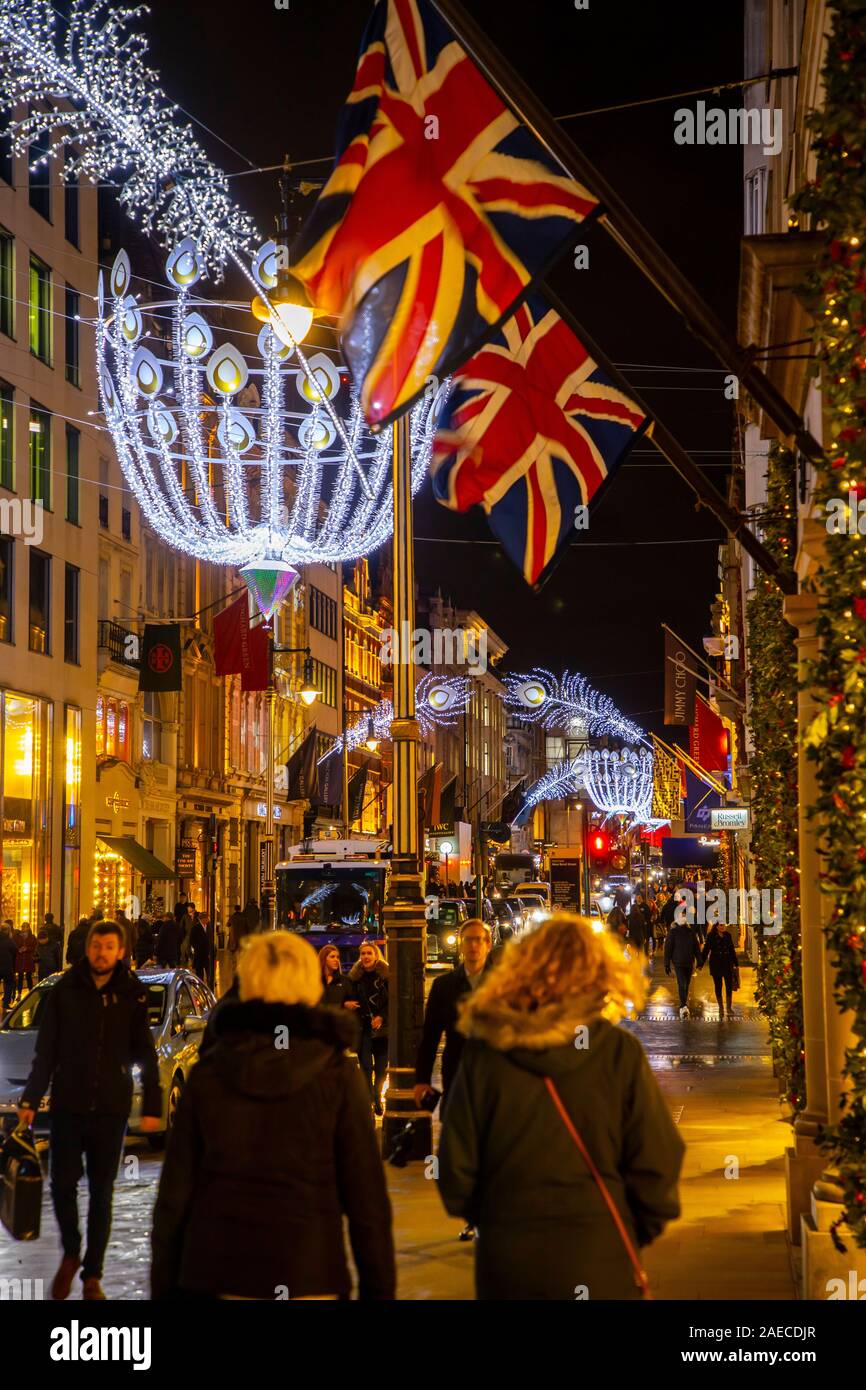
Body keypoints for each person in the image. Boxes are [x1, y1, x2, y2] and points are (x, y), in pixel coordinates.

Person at [437, 914, 684, 1300]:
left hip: (509, 1263)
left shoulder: (487, 1053)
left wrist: (494, 1219)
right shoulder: (617, 1053)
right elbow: (658, 1158)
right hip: (601, 1255)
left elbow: (455, 1171)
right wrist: (628, 1227)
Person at [150, 931, 395, 1300]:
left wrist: (166, 1287)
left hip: (221, 1272)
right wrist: (377, 1290)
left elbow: (175, 1197)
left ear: (246, 983)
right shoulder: (337, 1076)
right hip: (309, 1272)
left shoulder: (210, 1075)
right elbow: (367, 1203)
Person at [17, 921, 162, 1300]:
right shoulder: (65, 990)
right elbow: (45, 1051)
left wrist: (152, 1102)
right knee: (62, 1184)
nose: (101, 952)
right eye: (97, 945)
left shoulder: (132, 993)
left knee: (102, 1191)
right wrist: (31, 1099)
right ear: (88, 948)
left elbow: (144, 1051)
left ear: (121, 952)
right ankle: (71, 1251)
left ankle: (93, 1274)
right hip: (69, 1103)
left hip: (111, 1108)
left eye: (109, 946)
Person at [415, 919, 496, 1244]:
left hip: (495, 1081)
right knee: (462, 1153)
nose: (474, 946)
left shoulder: (501, 984)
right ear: (461, 945)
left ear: (488, 945)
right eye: (468, 940)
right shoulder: (445, 986)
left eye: (479, 940)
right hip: (458, 1080)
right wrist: (421, 1080)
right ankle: (473, 1216)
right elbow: (430, 1035)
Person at [348, 943, 389, 1116]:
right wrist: (348, 1004)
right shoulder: (355, 977)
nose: (365, 957)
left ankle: (376, 1095)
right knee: (365, 1067)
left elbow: (393, 1001)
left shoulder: (386, 976)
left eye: (369, 953)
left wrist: (382, 1017)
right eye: (363, 953)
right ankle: (369, 1100)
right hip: (363, 1028)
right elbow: (348, 998)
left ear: (376, 956)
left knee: (381, 1068)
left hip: (383, 1030)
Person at [663, 914, 703, 1018]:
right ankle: (683, 1005)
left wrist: (699, 961)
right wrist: (666, 964)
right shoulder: (677, 932)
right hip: (682, 963)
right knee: (682, 983)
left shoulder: (687, 932)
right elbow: (668, 948)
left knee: (685, 984)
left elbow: (696, 948)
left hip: (685, 962)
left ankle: (684, 1003)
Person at [701, 921, 738, 1019]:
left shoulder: (728, 935)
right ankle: (721, 1007)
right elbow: (706, 950)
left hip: (727, 963)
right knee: (718, 986)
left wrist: (736, 963)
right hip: (716, 964)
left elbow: (732, 950)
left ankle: (729, 1007)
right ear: (716, 926)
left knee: (729, 986)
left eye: (724, 925)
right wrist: (700, 963)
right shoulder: (711, 936)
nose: (723, 927)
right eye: (721, 925)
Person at [318, 945, 357, 1009]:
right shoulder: (315, 981)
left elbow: (353, 1004)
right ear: (324, 959)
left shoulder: (345, 981)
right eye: (332, 957)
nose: (336, 960)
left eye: (337, 957)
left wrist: (345, 1006)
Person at [15, 922, 36, 997]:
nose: (23, 928)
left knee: (29, 976)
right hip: (20, 959)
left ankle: (31, 992)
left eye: (25, 926)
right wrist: (19, 949)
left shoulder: (32, 937)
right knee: (20, 977)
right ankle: (19, 994)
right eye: (22, 926)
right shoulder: (18, 937)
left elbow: (34, 947)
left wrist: (27, 948)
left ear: (28, 928)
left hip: (28, 959)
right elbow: (15, 946)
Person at [189, 909, 209, 983]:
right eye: (207, 918)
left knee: (208, 969)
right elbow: (191, 940)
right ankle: (200, 982)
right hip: (199, 952)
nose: (208, 919)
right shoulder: (196, 927)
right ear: (203, 919)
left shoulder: (209, 926)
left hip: (207, 953)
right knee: (199, 969)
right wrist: (196, 948)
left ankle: (210, 981)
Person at [0, 921, 16, 1013]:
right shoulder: (9, 940)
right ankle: (5, 1003)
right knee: (9, 983)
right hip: (7, 967)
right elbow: (15, 950)